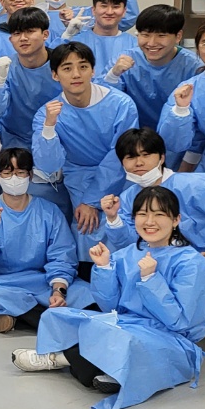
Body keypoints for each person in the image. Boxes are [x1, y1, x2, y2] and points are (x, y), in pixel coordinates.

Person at [13, 186, 205, 409]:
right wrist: (104, 268)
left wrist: (151, 280)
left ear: (176, 220)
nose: (149, 221)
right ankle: (109, 369)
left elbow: (178, 321)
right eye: (143, 214)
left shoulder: (190, 262)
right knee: (62, 316)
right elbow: (110, 306)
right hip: (126, 326)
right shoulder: (129, 253)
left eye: (159, 214)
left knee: (120, 339)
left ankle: (58, 358)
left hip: (169, 339)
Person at [101, 127, 205, 365]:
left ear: (162, 157)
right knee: (136, 275)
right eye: (130, 157)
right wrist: (113, 219)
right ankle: (158, 332)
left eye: (146, 155)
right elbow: (135, 243)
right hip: (170, 259)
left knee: (202, 280)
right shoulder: (129, 198)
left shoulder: (197, 185)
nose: (138, 163)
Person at [33, 42, 139, 257]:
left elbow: (121, 154)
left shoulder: (121, 104)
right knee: (87, 226)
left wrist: (91, 199)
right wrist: (49, 127)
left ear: (93, 70)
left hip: (124, 174)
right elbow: (48, 166)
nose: (76, 74)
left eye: (83, 67)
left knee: (125, 222)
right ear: (55, 75)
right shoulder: (47, 113)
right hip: (79, 176)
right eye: (67, 68)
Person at [0, 147, 87, 333]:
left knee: (85, 293)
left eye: (20, 173)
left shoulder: (49, 211)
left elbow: (62, 255)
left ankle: (15, 315)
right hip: (1, 281)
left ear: (30, 175)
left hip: (42, 279)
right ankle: (58, 324)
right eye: (7, 173)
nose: (14, 178)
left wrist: (58, 290)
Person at [0, 8, 65, 212]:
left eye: (30, 31)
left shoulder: (62, 65)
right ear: (10, 39)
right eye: (17, 33)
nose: (23, 38)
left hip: (59, 140)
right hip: (16, 141)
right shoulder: (6, 68)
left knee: (54, 206)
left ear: (45, 34)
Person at [102, 4, 202, 131]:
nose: (151, 43)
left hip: (179, 135)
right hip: (135, 135)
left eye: (161, 35)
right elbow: (106, 103)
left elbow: (201, 115)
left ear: (178, 36)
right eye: (145, 35)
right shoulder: (125, 60)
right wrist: (113, 75)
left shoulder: (194, 67)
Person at [61, 0, 137, 77]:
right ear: (93, 10)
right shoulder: (76, 42)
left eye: (116, 7)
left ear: (124, 11)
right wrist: (67, 35)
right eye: (104, 6)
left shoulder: (134, 46)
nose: (109, 12)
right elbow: (55, 68)